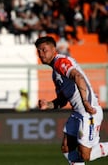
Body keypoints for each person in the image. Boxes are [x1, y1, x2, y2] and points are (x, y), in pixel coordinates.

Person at [35, 36, 108, 165]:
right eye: (38, 51)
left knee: (86, 154)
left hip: (88, 111)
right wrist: (49, 104)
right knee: (67, 148)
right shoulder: (55, 73)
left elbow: (77, 76)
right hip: (78, 112)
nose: (41, 54)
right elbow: (62, 100)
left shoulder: (60, 62)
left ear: (53, 49)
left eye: (44, 50)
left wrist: (85, 102)